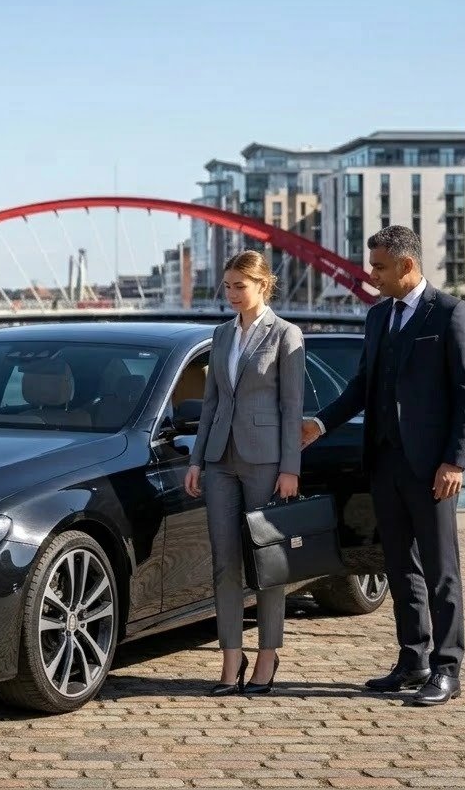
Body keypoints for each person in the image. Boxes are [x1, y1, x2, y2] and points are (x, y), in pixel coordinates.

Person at [301, 226, 465, 706]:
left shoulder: (449, 313)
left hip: (431, 469)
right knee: (400, 567)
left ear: (406, 265)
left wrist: (455, 461)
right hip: (383, 463)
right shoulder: (379, 316)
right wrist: (319, 424)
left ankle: (447, 668)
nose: (371, 275)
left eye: (379, 267)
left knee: (442, 571)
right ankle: (412, 658)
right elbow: (363, 385)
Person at [184, 250, 305, 696]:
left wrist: (290, 467)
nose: (232, 294)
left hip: (266, 462)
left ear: (263, 285)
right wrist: (197, 459)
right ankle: (230, 658)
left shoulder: (287, 336)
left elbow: (292, 409)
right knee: (224, 563)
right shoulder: (220, 336)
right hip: (220, 461)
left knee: (268, 563)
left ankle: (268, 657)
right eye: (228, 285)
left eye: (240, 285)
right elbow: (211, 403)